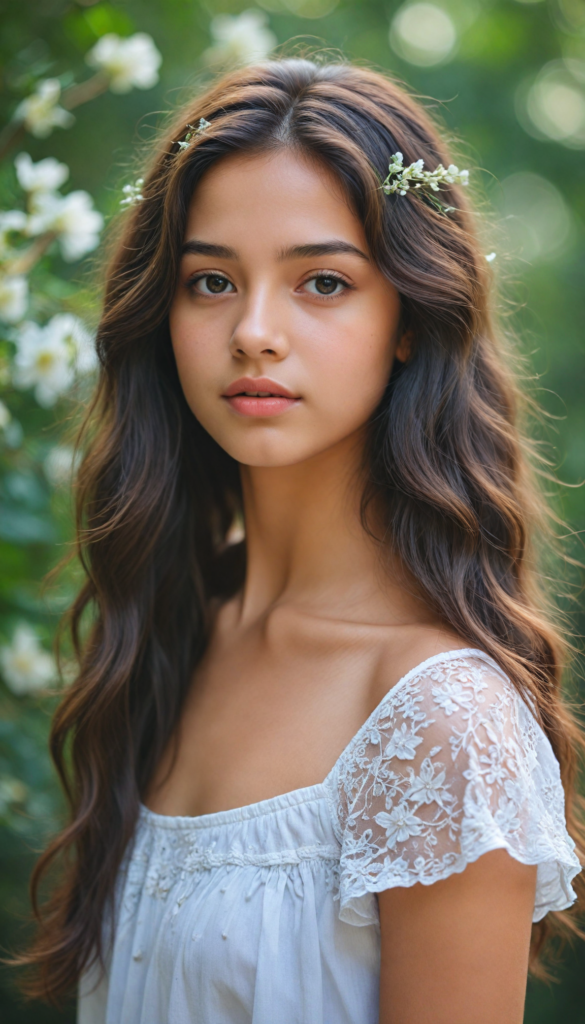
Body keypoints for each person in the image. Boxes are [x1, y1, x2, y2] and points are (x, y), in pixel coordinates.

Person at [11, 57, 584, 1024]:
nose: (253, 331)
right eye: (210, 281)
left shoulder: (441, 726)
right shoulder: (173, 630)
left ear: (409, 317)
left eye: (322, 281)